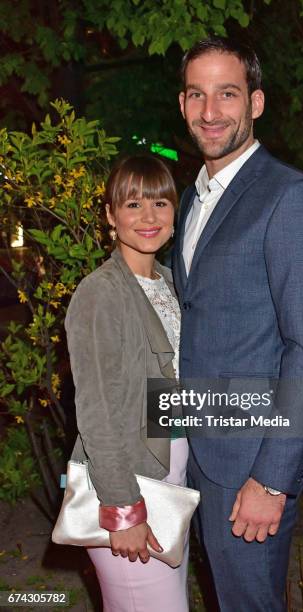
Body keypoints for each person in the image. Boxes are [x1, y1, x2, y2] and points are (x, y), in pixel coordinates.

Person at [173, 36, 303, 611]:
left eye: (228, 93)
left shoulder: (292, 198)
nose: (211, 111)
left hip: (250, 463)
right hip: (194, 450)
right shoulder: (192, 200)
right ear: (182, 104)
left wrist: (272, 479)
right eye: (198, 94)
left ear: (257, 103)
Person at [65, 156, 189, 612]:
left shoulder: (172, 284)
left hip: (173, 476)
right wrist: (123, 509)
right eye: (133, 203)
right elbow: (95, 411)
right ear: (110, 215)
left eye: (160, 202)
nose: (149, 216)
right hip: (130, 485)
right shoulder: (100, 293)